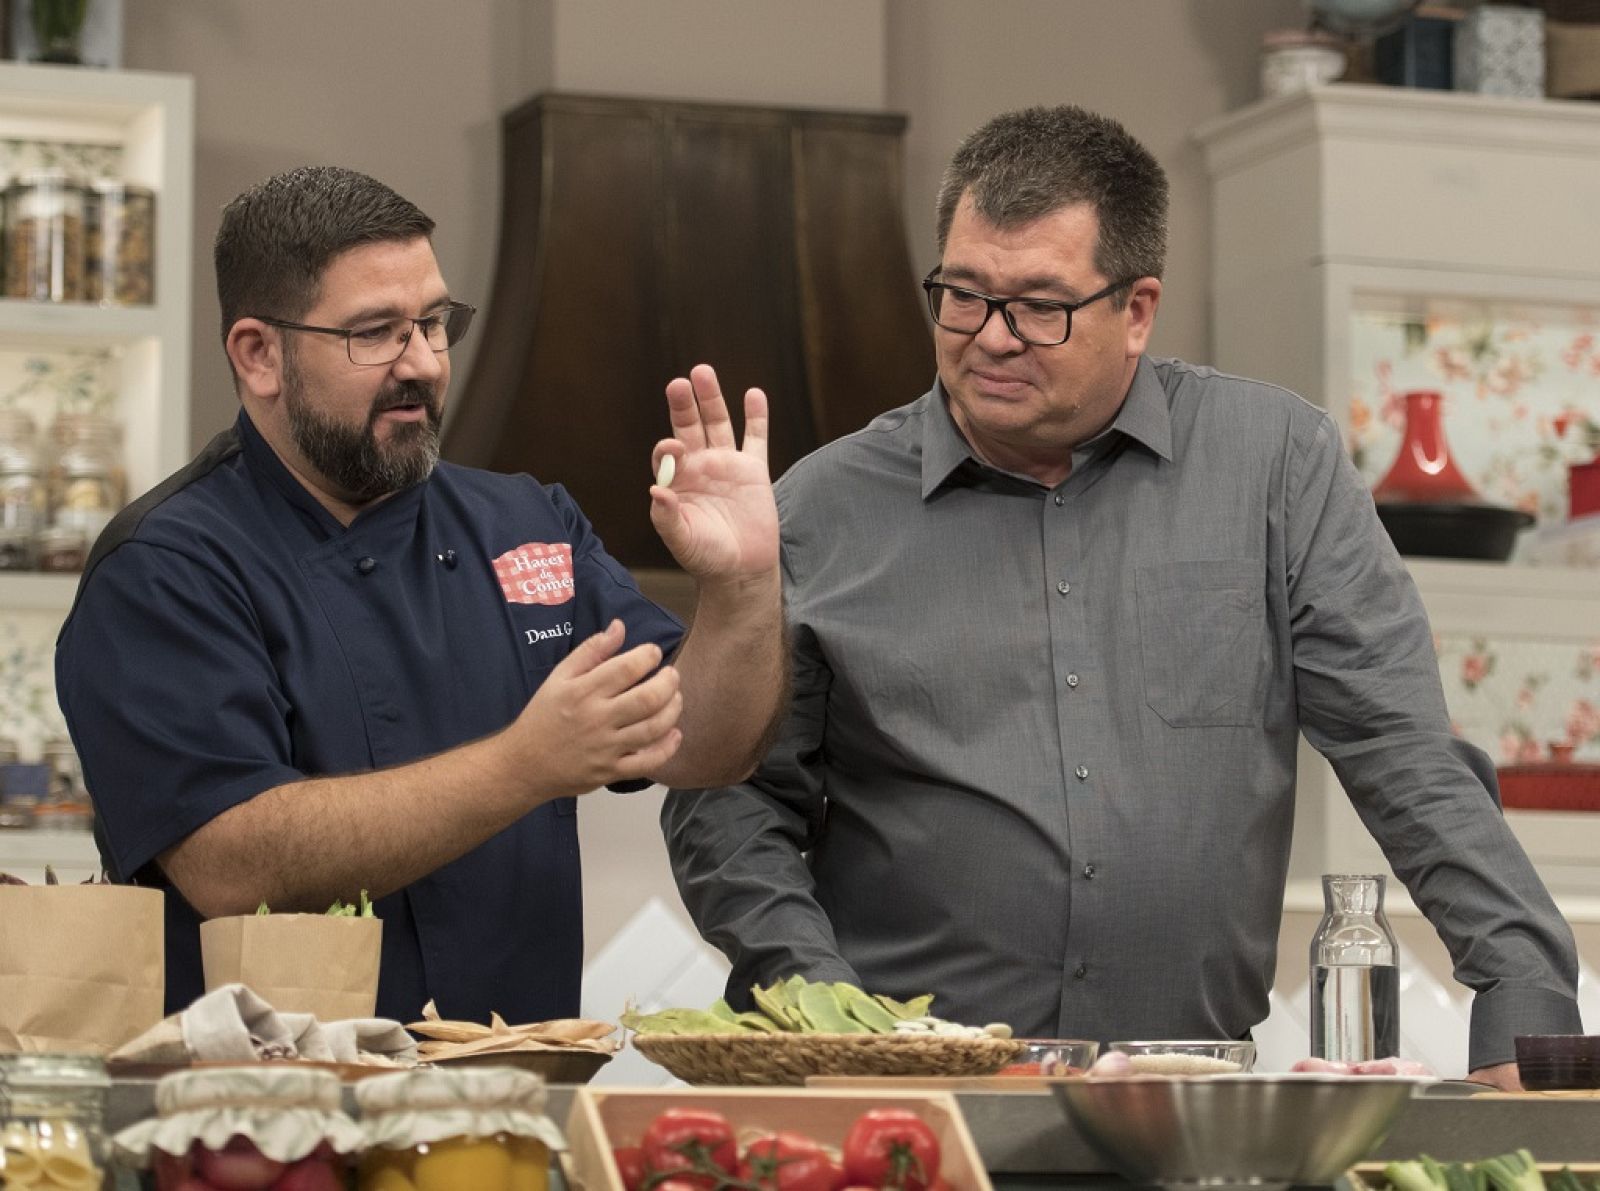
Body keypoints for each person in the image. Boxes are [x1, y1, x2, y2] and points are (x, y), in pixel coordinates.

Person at [660, 105, 1580, 1088]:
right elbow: (727, 804)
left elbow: (1408, 763)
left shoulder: (1272, 466)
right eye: (962, 296)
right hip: (914, 1107)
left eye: (1040, 306)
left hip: (1188, 1107)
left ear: (1136, 310)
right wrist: (826, 1018)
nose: (992, 338)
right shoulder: (818, 509)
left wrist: (1527, 1014)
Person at [55, 165, 786, 1025]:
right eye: (375, 333)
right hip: (272, 1124)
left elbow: (704, 745)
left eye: (435, 323)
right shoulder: (166, 565)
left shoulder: (525, 522)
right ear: (259, 354)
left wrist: (739, 588)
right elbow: (229, 859)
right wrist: (526, 764)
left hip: (517, 1092)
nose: (423, 365)